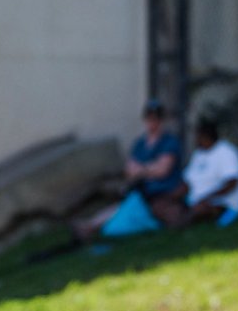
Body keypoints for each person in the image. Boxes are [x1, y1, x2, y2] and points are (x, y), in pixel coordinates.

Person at [74, 100, 184, 239]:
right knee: (121, 207)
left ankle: (90, 226)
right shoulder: (140, 143)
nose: (152, 122)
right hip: (140, 193)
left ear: (161, 120)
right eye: (149, 118)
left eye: (156, 118)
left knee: (119, 219)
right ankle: (89, 225)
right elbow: (130, 171)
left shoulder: (169, 142)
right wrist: (150, 169)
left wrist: (142, 170)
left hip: (160, 194)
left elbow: (162, 170)